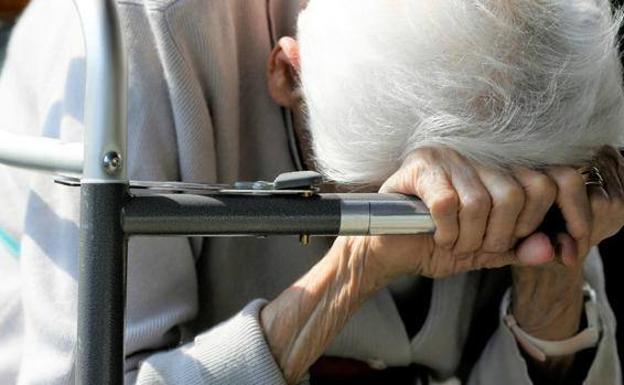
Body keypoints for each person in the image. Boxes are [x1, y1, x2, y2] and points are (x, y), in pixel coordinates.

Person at [0, 1, 622, 384]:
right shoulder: (138, 37)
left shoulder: (534, 69)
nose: (453, 246)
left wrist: (554, 274)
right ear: (287, 73)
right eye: (401, 200)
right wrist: (357, 267)